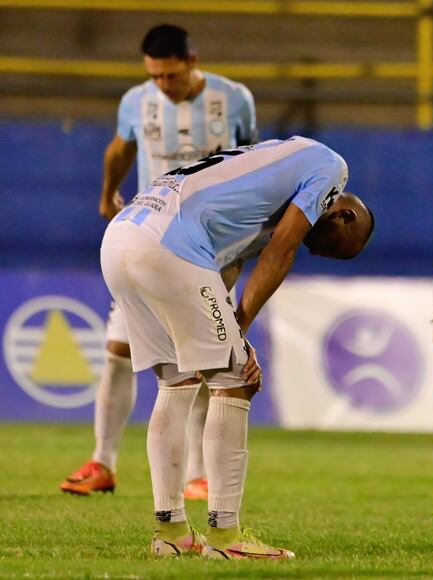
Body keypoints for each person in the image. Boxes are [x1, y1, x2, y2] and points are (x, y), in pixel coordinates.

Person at [100, 136, 374, 559]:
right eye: (329, 247)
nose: (312, 248)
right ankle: (226, 539)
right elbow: (281, 251)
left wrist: (230, 330)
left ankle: (170, 532)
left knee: (177, 380)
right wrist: (237, 342)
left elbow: (226, 265)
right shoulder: (331, 167)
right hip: (169, 245)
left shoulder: (270, 179)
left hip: (122, 236)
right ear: (343, 213)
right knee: (236, 382)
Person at [60, 24, 256, 500]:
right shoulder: (136, 101)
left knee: (203, 361)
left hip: (209, 246)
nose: (163, 86)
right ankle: (102, 462)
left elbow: (250, 159)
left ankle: (196, 474)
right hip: (150, 242)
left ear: (192, 60)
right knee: (117, 352)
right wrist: (108, 195)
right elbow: (120, 148)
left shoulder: (233, 99)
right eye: (155, 77)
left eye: (171, 75)